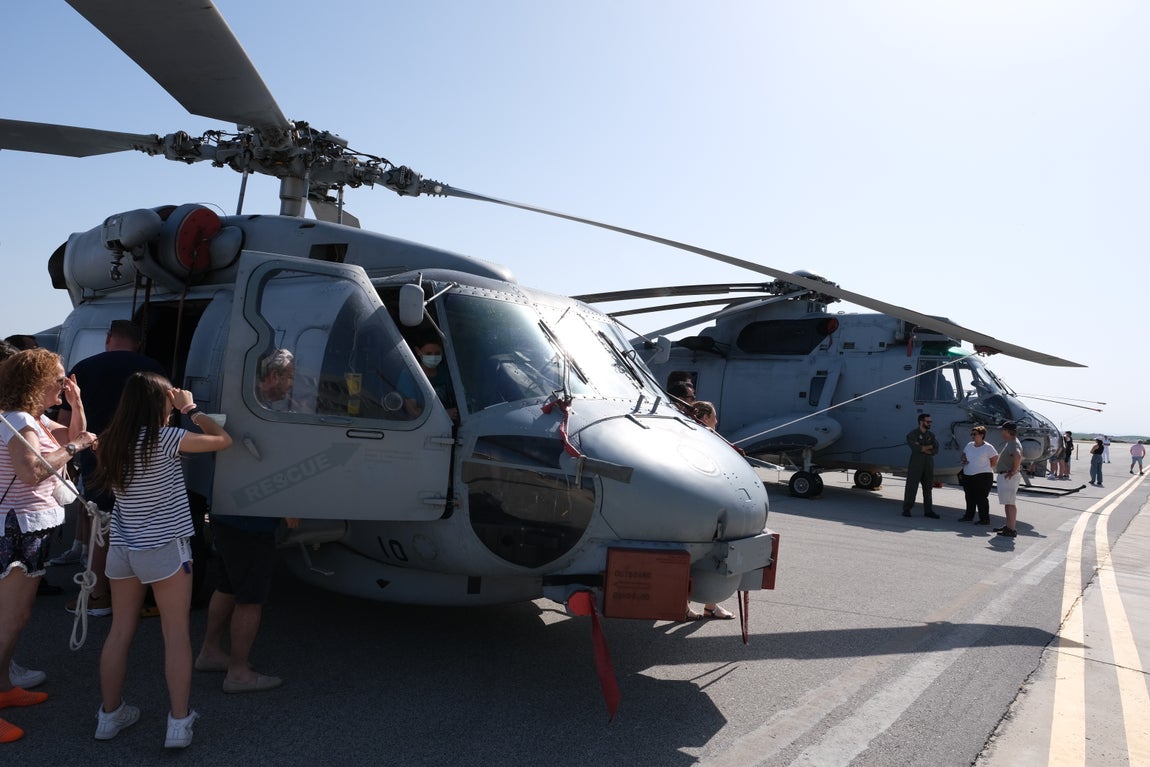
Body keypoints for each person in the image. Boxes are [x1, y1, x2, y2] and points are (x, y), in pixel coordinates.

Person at [90, 372, 232, 748]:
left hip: (123, 548)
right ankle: (179, 723)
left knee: (119, 631)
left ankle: (108, 716)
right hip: (165, 548)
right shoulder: (167, 438)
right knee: (175, 635)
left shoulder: (110, 442)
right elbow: (223, 440)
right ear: (159, 404)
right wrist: (190, 408)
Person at [0, 349, 97, 743]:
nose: (65, 382)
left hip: (30, 527)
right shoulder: (20, 421)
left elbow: (74, 437)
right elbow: (33, 471)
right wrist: (76, 447)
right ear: (36, 381)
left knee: (16, 618)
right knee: (8, 620)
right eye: (58, 378)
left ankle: (4, 688)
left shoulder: (32, 419)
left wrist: (77, 404)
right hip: (17, 529)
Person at [53, 320, 166, 621]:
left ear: (108, 339)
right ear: (139, 342)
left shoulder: (85, 367)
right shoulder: (154, 367)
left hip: (96, 455)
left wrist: (70, 456)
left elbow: (65, 423)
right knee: (142, 527)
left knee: (101, 528)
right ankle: (145, 596)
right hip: (143, 459)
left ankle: (99, 596)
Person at [194, 510, 298, 692]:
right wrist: (286, 508)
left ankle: (210, 652)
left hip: (224, 516)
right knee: (250, 598)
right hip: (250, 524)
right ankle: (238, 674)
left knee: (228, 587)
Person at [684, 400, 734, 620]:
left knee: (708, 556)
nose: (717, 421)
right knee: (693, 556)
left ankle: (710, 606)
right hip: (699, 509)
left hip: (709, 509)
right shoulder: (696, 439)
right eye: (714, 417)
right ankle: (686, 605)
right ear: (704, 419)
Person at [397, 339, 458, 422]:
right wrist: (444, 414)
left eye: (437, 353)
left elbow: (460, 397)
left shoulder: (446, 372)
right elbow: (413, 411)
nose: (433, 357)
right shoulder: (409, 376)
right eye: (428, 354)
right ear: (418, 351)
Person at [902, 413, 940, 518]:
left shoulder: (931, 435)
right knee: (911, 487)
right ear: (921, 422)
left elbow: (935, 449)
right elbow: (916, 449)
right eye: (928, 422)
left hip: (928, 465)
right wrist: (928, 448)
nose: (930, 423)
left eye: (930, 422)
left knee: (928, 489)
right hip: (916, 465)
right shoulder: (912, 434)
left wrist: (924, 447)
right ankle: (907, 509)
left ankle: (928, 511)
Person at [958, 425, 998, 524]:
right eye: (972, 434)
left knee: (981, 497)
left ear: (982, 435)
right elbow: (963, 454)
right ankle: (968, 516)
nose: (973, 436)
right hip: (968, 474)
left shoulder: (988, 447)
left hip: (983, 475)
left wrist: (988, 467)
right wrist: (964, 459)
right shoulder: (969, 445)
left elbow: (995, 458)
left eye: (975, 434)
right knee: (969, 496)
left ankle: (984, 519)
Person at [994, 422, 1023, 538]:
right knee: (1008, 503)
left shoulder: (1012, 443)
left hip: (1008, 476)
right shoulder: (1012, 442)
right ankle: (1009, 526)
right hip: (1007, 476)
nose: (1001, 432)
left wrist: (1013, 471)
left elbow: (1017, 456)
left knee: (1010, 503)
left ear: (1007, 431)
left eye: (1003, 430)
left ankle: (1011, 529)